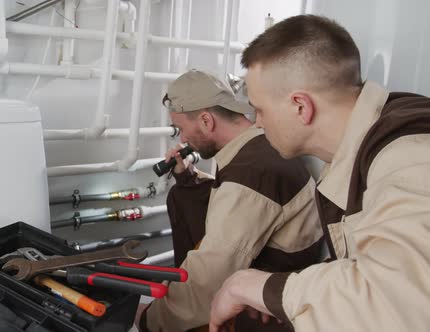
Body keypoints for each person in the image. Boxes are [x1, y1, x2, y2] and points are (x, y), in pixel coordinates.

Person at [209, 14, 430, 332]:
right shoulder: (364, 148)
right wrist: (284, 290)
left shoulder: (408, 155)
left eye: (259, 109)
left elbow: (398, 306)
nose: (257, 122)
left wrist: (254, 286)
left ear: (300, 106)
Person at [137, 69, 323, 331]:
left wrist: (150, 321)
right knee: (181, 196)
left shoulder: (252, 172)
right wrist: (188, 178)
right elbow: (229, 198)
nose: (182, 139)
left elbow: (208, 277)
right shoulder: (257, 147)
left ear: (206, 120)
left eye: (181, 128)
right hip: (269, 281)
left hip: (266, 313)